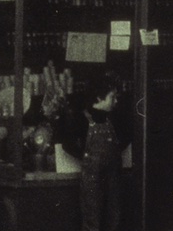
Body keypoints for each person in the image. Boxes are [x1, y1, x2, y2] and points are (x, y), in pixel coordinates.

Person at [63, 74, 122, 231]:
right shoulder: (82, 120)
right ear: (98, 98)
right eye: (112, 97)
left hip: (112, 180)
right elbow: (67, 145)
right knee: (92, 222)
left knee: (114, 219)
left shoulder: (112, 120)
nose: (116, 101)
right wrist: (84, 154)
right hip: (92, 181)